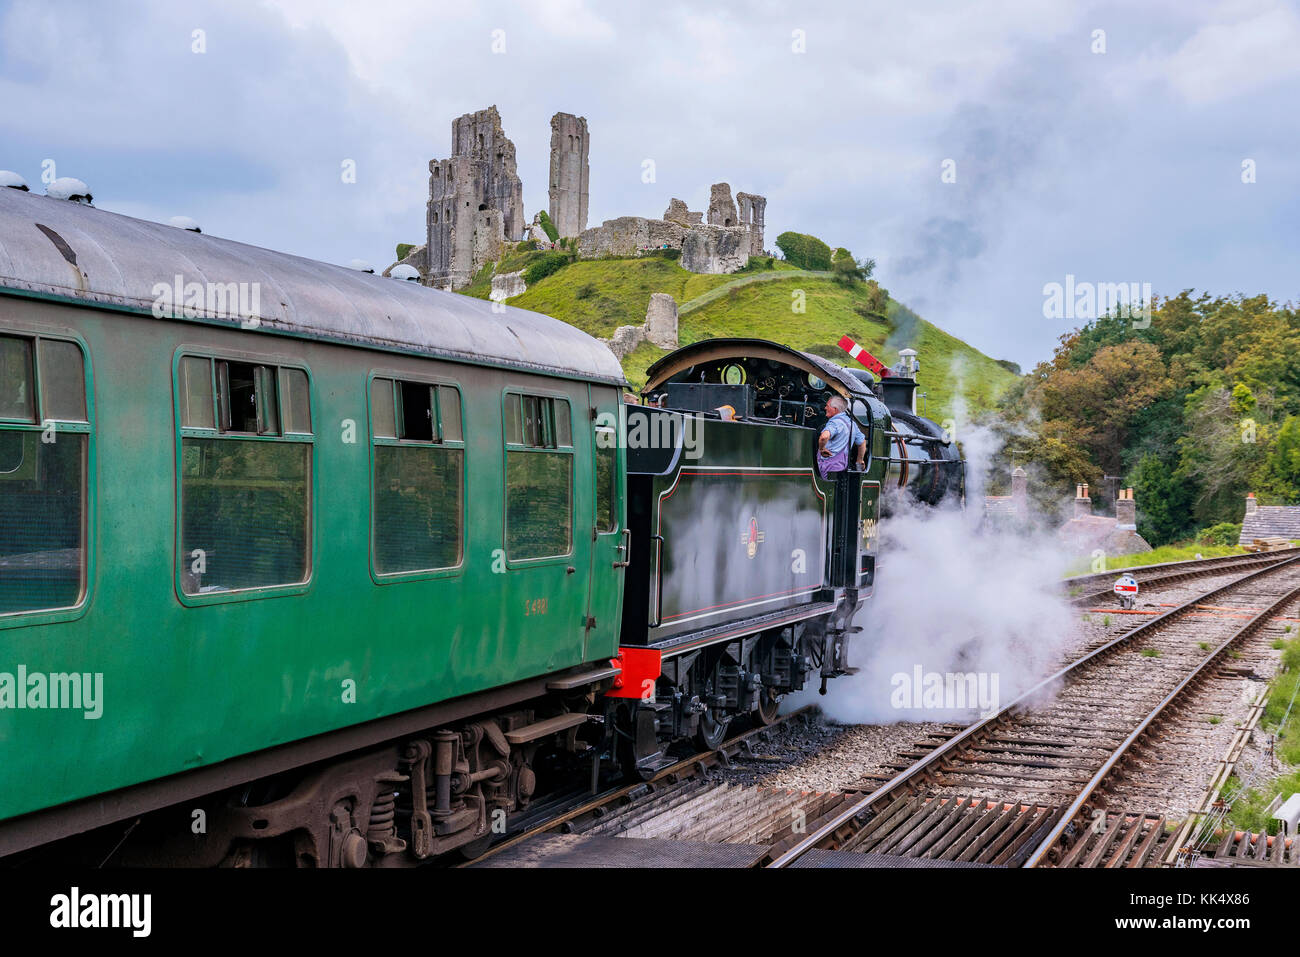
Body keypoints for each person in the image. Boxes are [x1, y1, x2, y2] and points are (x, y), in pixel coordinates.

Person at [817, 395, 866, 478]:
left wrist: (822, 449)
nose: (825, 408)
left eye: (827, 406)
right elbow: (862, 442)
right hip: (842, 466)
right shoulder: (852, 424)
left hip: (827, 467)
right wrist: (859, 460)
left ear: (835, 409)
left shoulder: (834, 423)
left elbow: (824, 437)